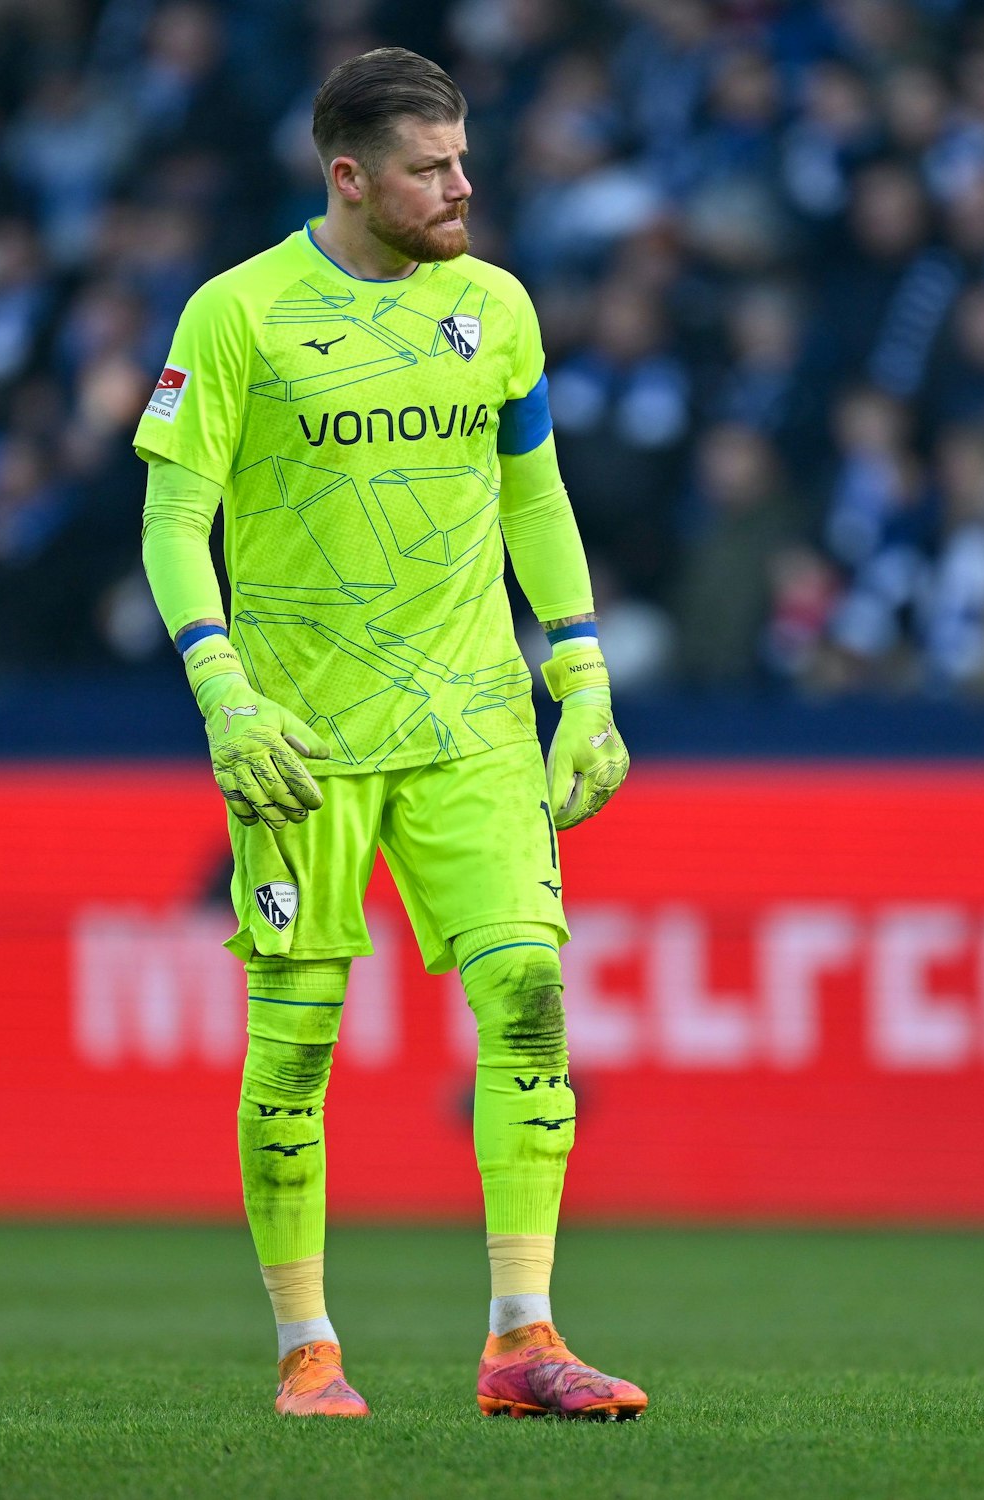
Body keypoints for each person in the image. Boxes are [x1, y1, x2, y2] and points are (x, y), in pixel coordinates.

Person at [133, 48, 644, 1422]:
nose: (463, 187)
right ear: (350, 176)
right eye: (431, 167)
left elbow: (534, 493)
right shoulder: (240, 316)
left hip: (476, 719)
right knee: (294, 1043)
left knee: (529, 998)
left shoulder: (497, 307)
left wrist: (581, 671)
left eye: (465, 159)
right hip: (300, 740)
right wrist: (223, 693)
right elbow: (176, 523)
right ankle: (308, 1348)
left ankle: (521, 1339)